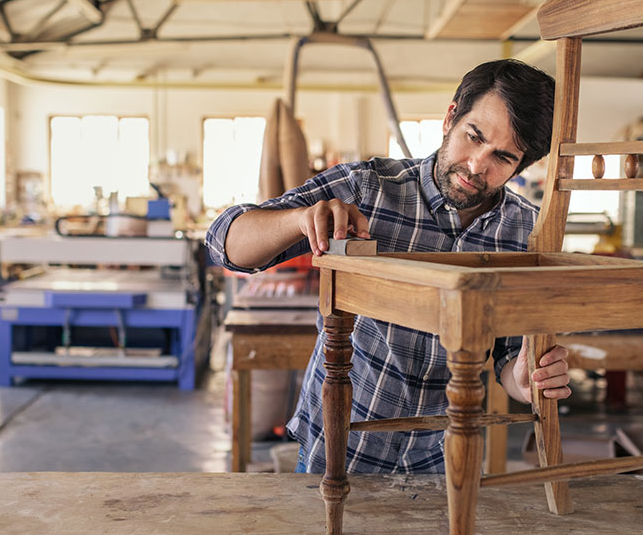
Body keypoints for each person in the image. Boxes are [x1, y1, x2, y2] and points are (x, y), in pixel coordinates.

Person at [206, 59, 571, 474]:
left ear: (521, 166)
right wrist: (298, 218)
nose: (476, 165)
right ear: (451, 116)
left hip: (441, 458)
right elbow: (223, 242)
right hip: (338, 448)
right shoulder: (368, 189)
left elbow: (508, 355)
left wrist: (523, 381)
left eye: (502, 157)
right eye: (474, 137)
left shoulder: (524, 231)